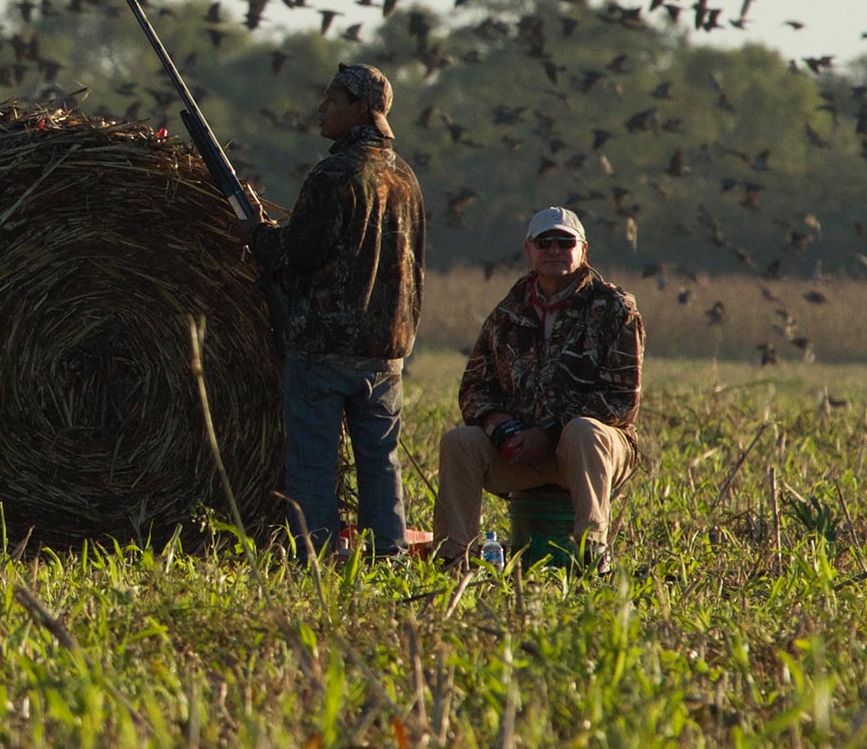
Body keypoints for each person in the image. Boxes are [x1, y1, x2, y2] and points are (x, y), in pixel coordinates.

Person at [240, 64, 425, 558]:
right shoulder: (405, 177)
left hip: (325, 344)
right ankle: (389, 556)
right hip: (386, 348)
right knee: (381, 461)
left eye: (332, 99)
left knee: (314, 463)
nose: (321, 108)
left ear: (360, 108)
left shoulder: (335, 173)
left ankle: (318, 559)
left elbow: (298, 251)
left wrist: (256, 235)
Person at [432, 207, 643, 570]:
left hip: (592, 452)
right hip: (522, 457)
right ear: (529, 251)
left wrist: (547, 433)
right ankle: (454, 560)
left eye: (566, 242)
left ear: (583, 249)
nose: (555, 249)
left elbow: (620, 399)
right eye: (545, 242)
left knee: (583, 430)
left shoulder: (615, 308)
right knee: (459, 442)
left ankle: (591, 553)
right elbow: (474, 388)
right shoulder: (507, 314)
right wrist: (500, 427)